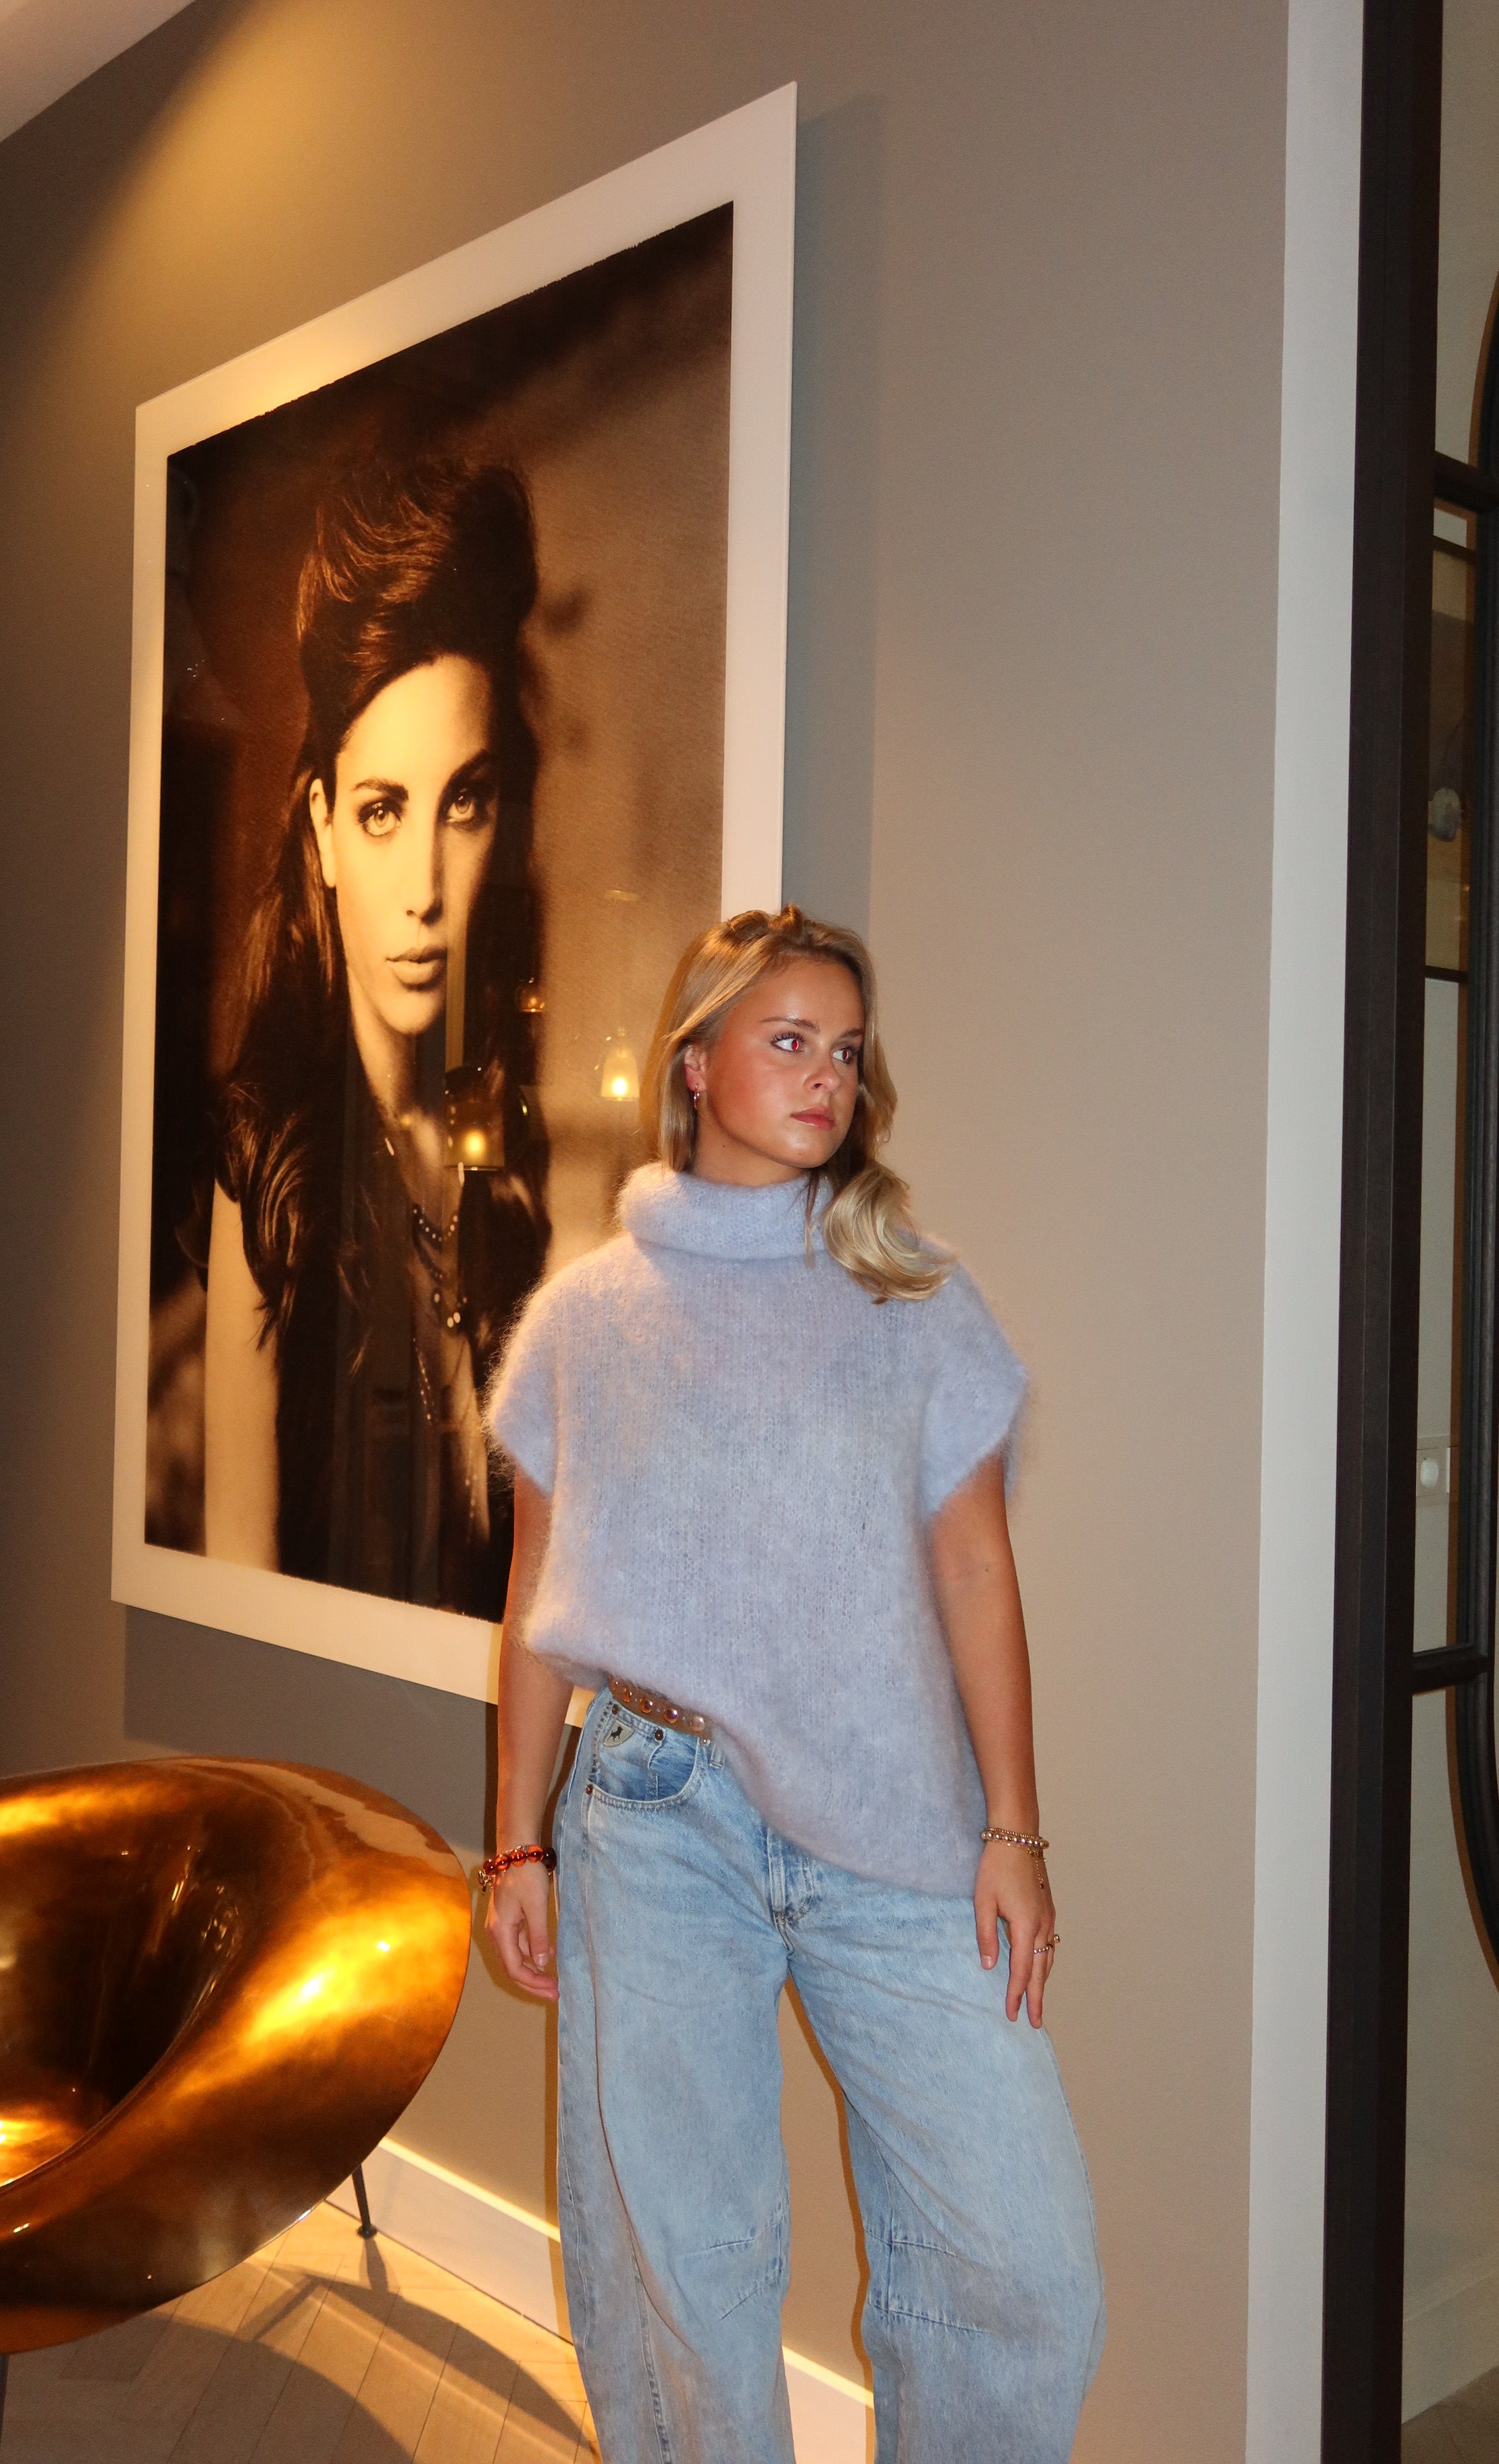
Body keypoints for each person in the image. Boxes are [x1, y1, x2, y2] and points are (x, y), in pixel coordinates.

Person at [482, 904, 1103, 2463]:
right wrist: (514, 1844)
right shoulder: (585, 1321)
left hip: (893, 1814)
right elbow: (541, 1604)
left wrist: (1014, 1831)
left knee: (1021, 2268)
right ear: (694, 1066)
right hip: (652, 1815)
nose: (827, 1075)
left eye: (845, 1049)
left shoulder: (916, 1301)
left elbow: (976, 1573)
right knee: (681, 2264)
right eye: (787, 1041)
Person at [203, 453, 548, 1616]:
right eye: (383, 811)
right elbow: (237, 1592)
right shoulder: (270, 1167)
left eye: (465, 803)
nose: (426, 892)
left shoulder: (498, 1150)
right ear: (324, 833)